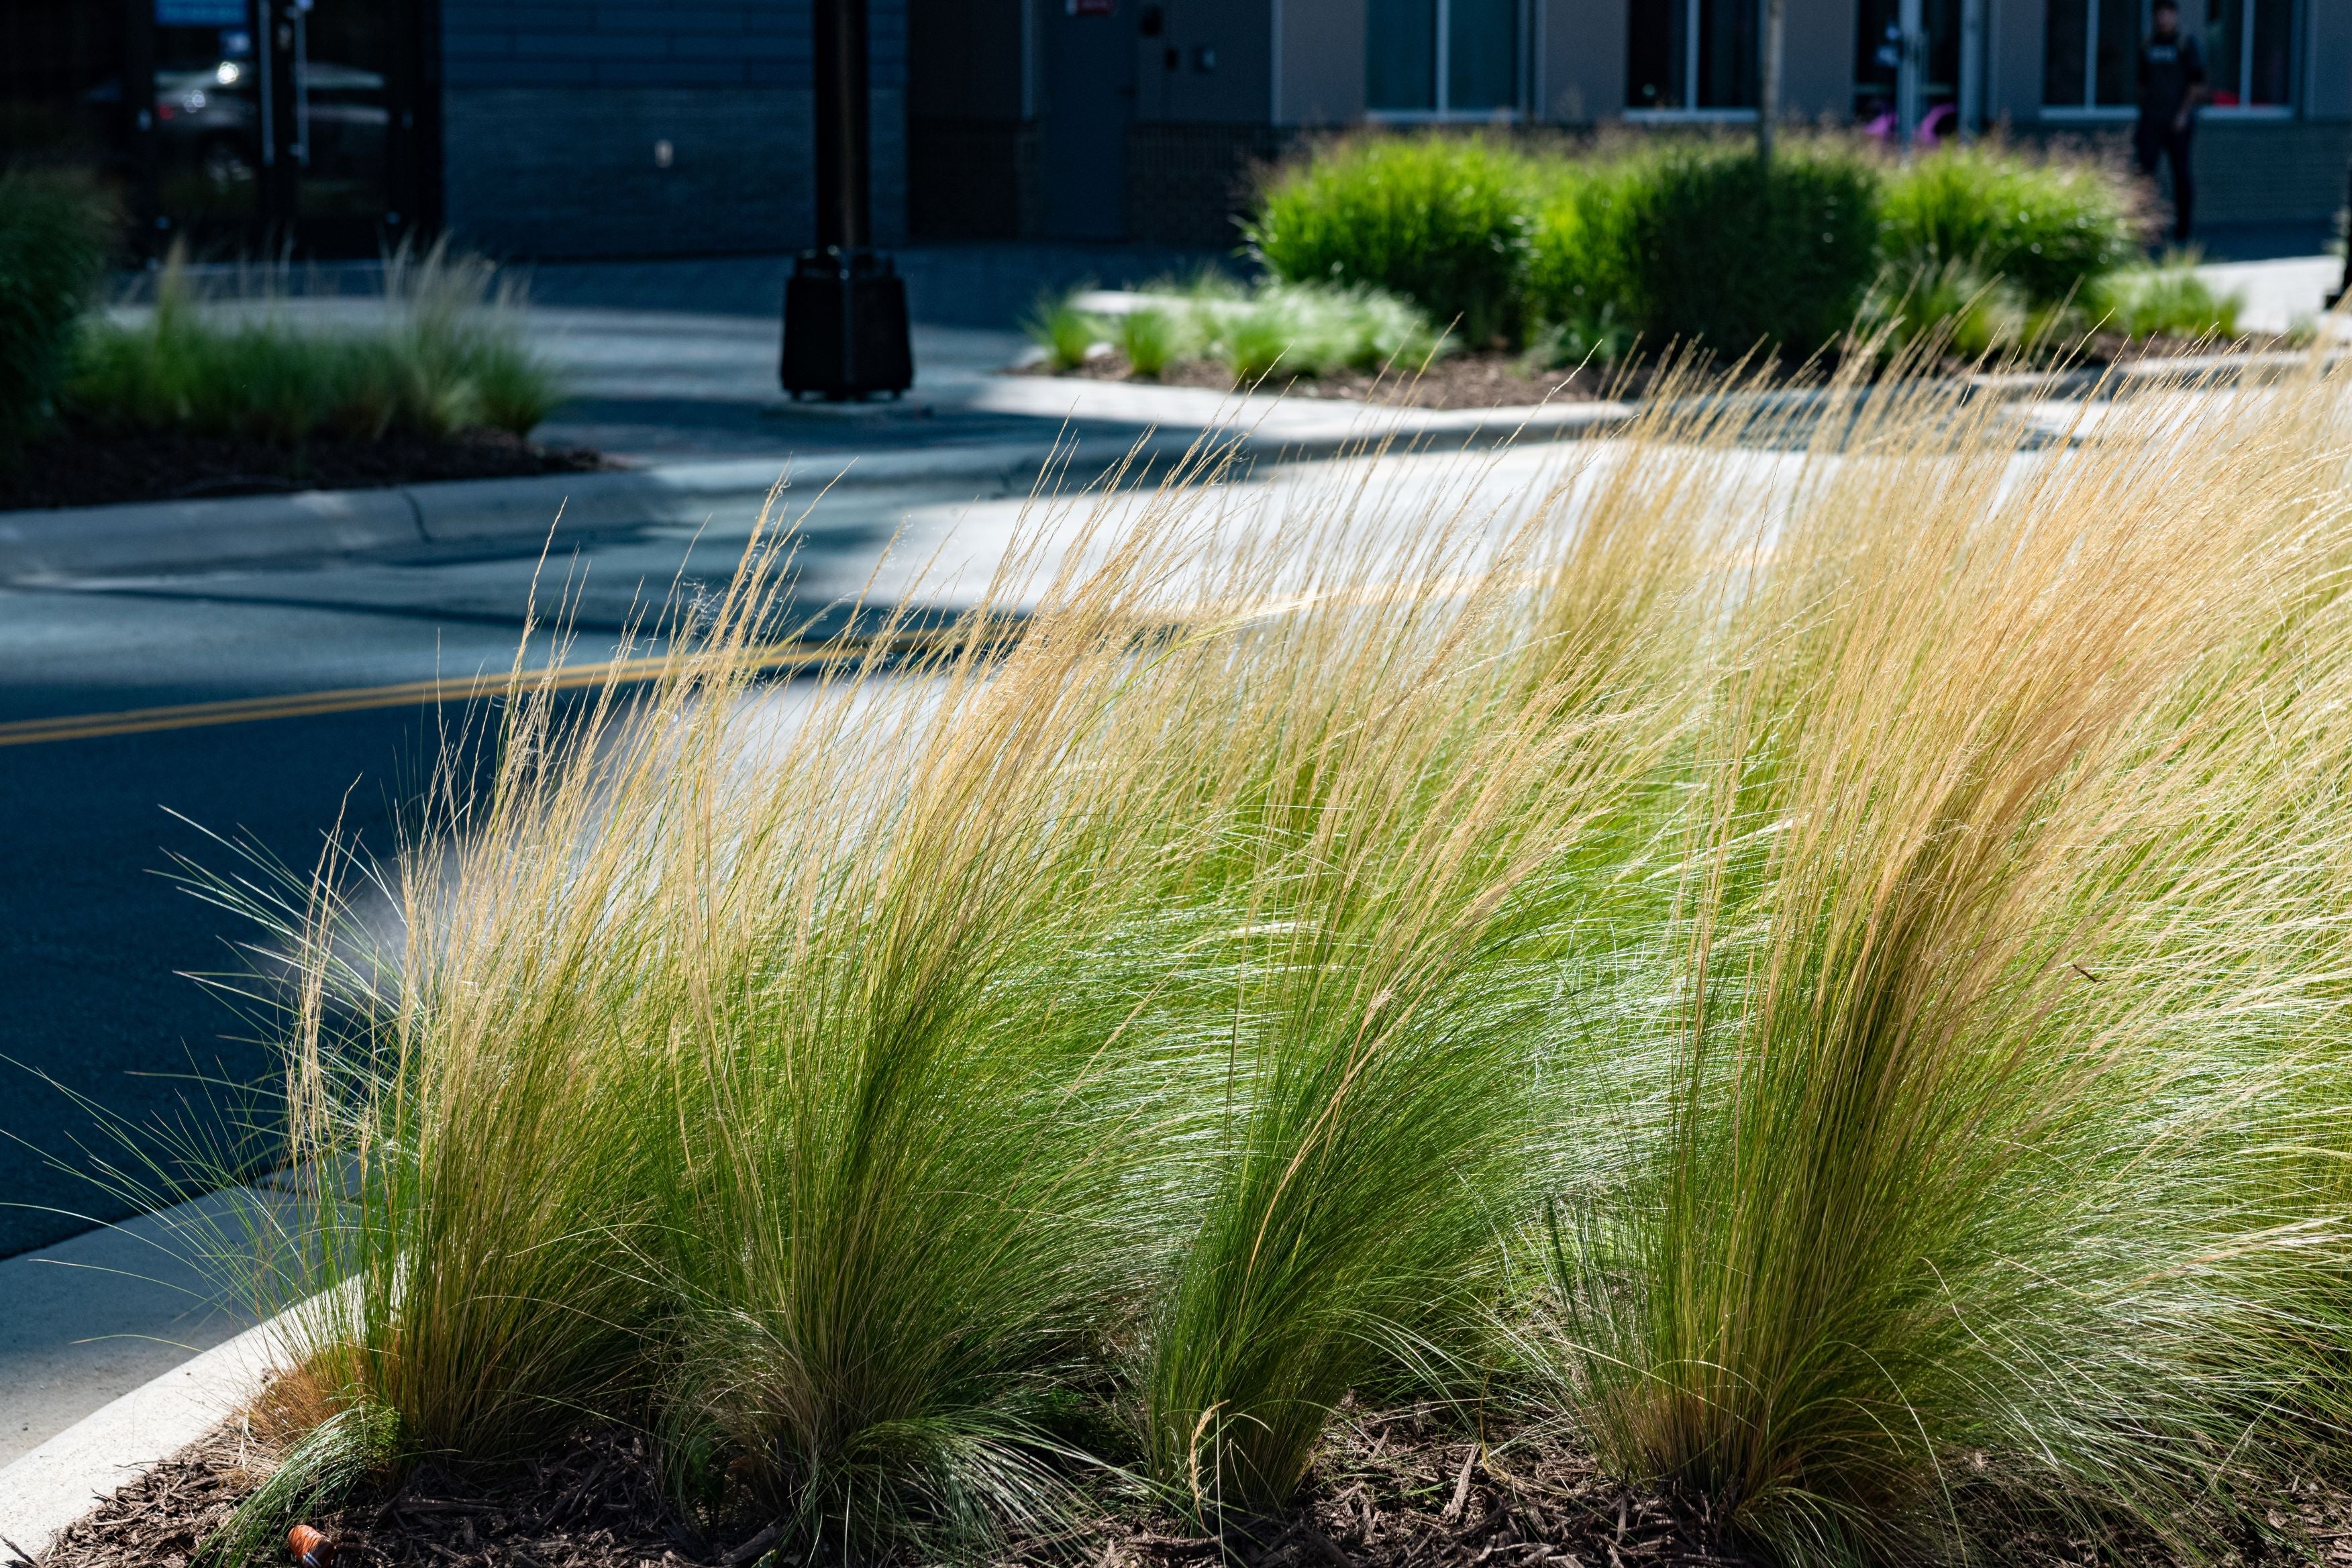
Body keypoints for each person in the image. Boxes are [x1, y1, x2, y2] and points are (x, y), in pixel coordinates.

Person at [2137, 1, 2208, 245]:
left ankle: (2184, 230)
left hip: (2178, 122)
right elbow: (2142, 84)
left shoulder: (2186, 44)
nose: (2164, 19)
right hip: (2152, 121)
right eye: (2160, 14)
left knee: (2181, 173)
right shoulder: (2148, 44)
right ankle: (2143, 228)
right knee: (2145, 173)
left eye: (2168, 14)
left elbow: (2197, 84)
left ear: (2175, 16)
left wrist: (2183, 114)